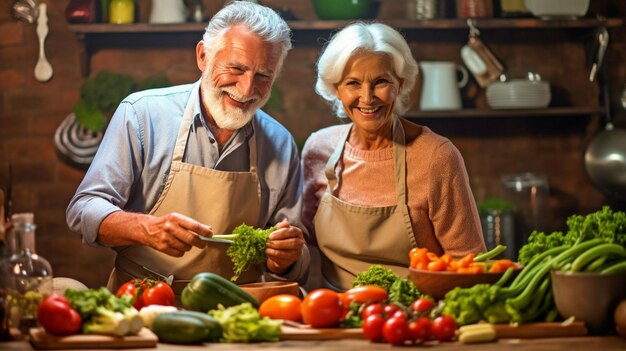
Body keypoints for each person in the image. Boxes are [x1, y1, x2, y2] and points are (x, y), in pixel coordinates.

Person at [66, 1, 309, 294]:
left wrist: (286, 256)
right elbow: (83, 209)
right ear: (203, 56)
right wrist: (146, 228)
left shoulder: (280, 143)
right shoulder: (142, 115)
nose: (246, 90)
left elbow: (295, 254)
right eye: (236, 68)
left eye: (263, 76)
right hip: (145, 302)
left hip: (235, 309)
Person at [301, 22, 486, 291]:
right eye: (353, 83)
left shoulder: (436, 157)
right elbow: (305, 244)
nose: (367, 97)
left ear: (400, 84)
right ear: (335, 88)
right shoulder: (318, 149)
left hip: (414, 318)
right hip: (334, 314)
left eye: (381, 82)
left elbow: (469, 263)